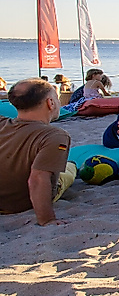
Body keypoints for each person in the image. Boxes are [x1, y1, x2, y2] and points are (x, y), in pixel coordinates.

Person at [0, 79, 75, 225]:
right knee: (70, 168)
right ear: (50, 103)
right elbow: (38, 179)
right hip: (19, 204)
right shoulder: (55, 135)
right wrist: (47, 220)